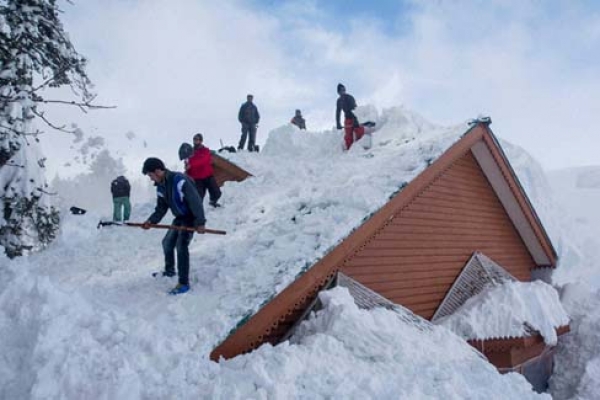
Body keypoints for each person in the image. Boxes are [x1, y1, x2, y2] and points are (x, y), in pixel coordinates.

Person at [141, 157, 206, 295]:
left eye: (151, 175)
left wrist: (200, 222)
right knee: (167, 243)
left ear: (158, 171)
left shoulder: (179, 180)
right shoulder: (160, 186)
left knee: (181, 246)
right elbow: (161, 208)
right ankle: (169, 271)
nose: (151, 179)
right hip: (179, 218)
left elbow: (195, 201)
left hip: (190, 218)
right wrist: (151, 221)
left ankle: (183, 283)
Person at [186, 133, 222, 208]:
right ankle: (197, 212)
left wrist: (191, 164)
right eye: (194, 139)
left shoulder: (205, 150)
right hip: (197, 179)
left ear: (201, 141)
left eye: (197, 139)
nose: (195, 141)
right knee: (199, 197)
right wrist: (188, 170)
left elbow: (203, 160)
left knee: (217, 193)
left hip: (208, 176)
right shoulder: (190, 152)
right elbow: (187, 165)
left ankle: (213, 202)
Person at [335, 83, 366, 150]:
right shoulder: (339, 101)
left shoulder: (349, 97)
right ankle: (350, 150)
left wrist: (355, 120)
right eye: (341, 90)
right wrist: (338, 123)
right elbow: (338, 112)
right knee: (348, 136)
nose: (343, 92)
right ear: (338, 92)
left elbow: (355, 108)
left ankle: (363, 146)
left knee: (359, 131)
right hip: (347, 119)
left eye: (344, 90)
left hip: (355, 116)